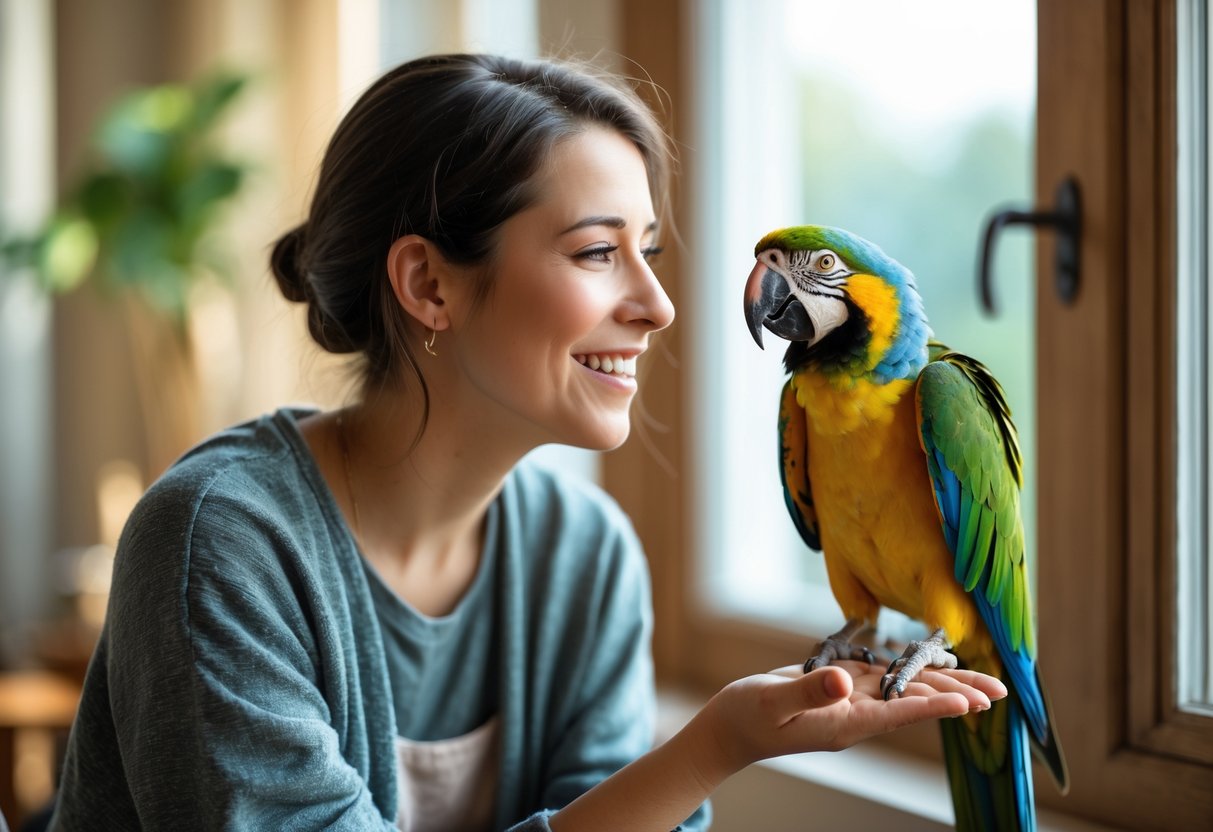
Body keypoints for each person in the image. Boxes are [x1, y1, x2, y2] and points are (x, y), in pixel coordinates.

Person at [47, 53, 1005, 831]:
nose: (659, 305)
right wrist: (713, 747)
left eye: (650, 253)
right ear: (429, 287)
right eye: (597, 252)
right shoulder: (217, 543)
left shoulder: (582, 554)